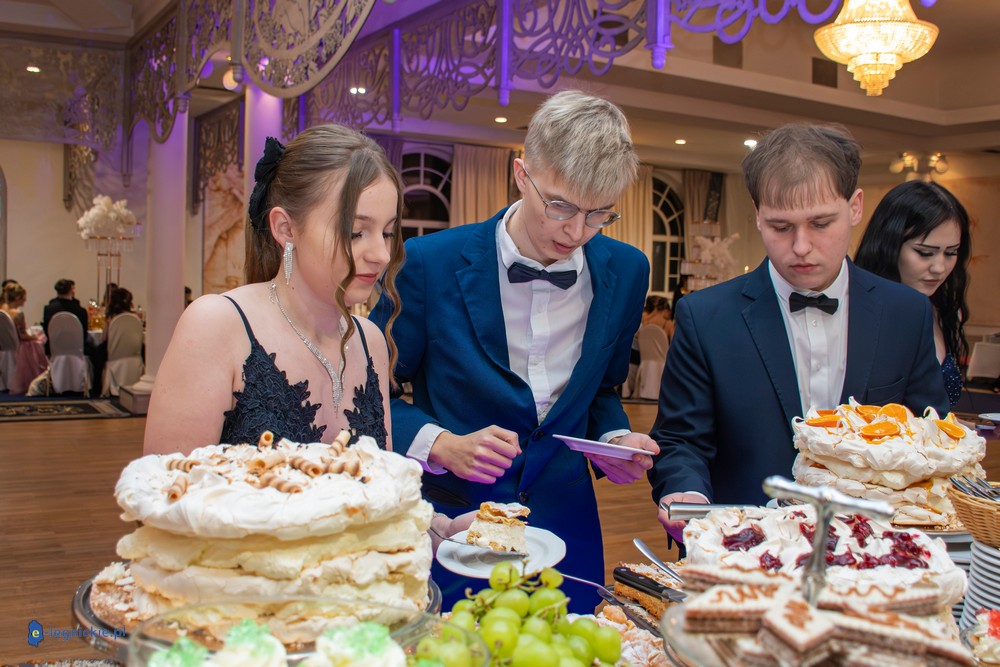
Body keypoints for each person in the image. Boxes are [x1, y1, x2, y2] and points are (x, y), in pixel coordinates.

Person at [369, 90, 658, 612]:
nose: (576, 232)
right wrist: (439, 444)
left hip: (569, 525)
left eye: (598, 215)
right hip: (458, 523)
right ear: (522, 174)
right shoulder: (428, 263)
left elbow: (603, 388)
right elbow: (368, 391)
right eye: (560, 206)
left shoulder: (628, 269)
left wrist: (613, 438)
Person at [648, 123, 950, 541]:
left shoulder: (906, 312)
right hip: (742, 545)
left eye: (821, 223)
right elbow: (681, 440)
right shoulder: (705, 316)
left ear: (855, 207)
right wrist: (686, 490)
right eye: (780, 227)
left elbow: (928, 437)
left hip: (877, 547)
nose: (801, 246)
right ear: (758, 216)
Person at [144, 125, 404, 456]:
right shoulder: (217, 325)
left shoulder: (371, 342)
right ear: (285, 228)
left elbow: (380, 481)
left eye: (387, 233)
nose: (381, 255)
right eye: (355, 232)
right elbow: (166, 484)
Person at [854, 181, 971, 408]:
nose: (939, 267)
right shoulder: (858, 312)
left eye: (951, 253)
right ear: (889, 245)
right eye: (925, 253)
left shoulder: (945, 312)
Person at [1, 283, 48, 394]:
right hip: (17, 347)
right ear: (18, 298)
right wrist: (35, 337)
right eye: (24, 297)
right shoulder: (18, 313)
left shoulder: (3, 310)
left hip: (4, 347)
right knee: (39, 342)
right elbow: (23, 336)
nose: (25, 300)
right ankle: (37, 376)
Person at [42, 279, 91, 356]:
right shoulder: (81, 311)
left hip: (54, 349)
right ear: (71, 290)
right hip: (76, 349)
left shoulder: (48, 309)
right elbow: (84, 334)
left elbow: (47, 331)